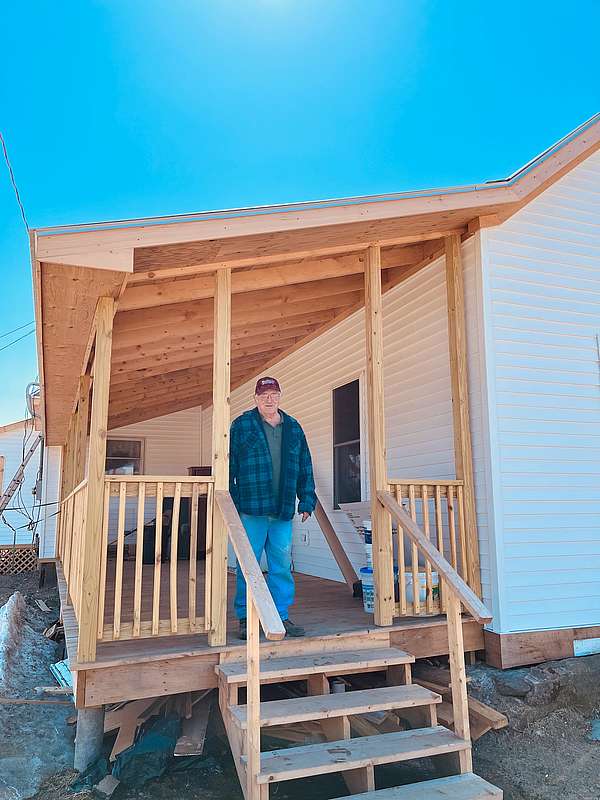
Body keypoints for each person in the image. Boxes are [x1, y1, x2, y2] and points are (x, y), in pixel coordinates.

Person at [229, 376, 317, 639]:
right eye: (264, 394)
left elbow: (305, 464)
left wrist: (307, 498)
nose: (269, 399)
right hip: (251, 507)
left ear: (280, 396)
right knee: (248, 564)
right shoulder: (242, 425)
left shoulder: (293, 427)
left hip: (282, 508)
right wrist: (232, 499)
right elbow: (229, 464)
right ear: (256, 398)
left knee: (281, 564)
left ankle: (281, 615)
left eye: (274, 394)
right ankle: (246, 617)